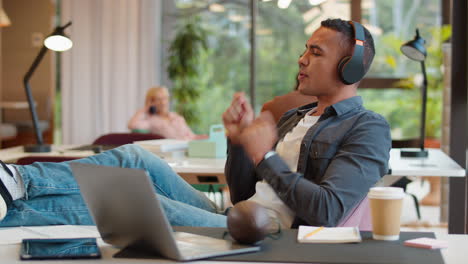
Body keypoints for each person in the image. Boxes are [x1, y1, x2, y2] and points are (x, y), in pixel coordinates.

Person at [0, 18, 390, 229]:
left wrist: (265, 155)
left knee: (143, 204)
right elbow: (240, 194)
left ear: (348, 68)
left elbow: (328, 211)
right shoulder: (294, 116)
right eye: (305, 49)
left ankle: (10, 215)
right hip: (237, 215)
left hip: (270, 234)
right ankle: (19, 181)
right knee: (138, 158)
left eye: (316, 52)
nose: (302, 59)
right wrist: (239, 142)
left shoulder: (368, 129)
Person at [127, 86, 199, 140]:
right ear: (151, 102)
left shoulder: (176, 117)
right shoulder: (151, 120)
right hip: (172, 153)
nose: (163, 102)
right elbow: (132, 125)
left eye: (165, 98)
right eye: (158, 99)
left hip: (189, 147)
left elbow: (192, 136)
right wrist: (146, 108)